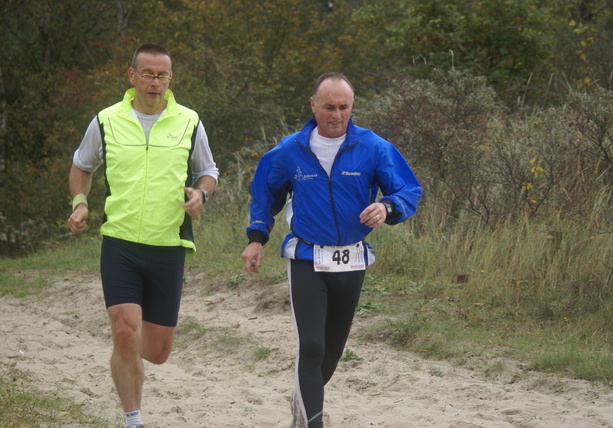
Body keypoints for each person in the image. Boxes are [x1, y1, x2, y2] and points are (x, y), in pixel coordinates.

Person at [240, 72, 422, 428]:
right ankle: (312, 423)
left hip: (352, 259)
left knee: (331, 356)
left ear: (352, 106)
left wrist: (387, 207)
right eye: (328, 107)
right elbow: (265, 192)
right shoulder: (290, 150)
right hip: (308, 257)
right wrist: (256, 236)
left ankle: (301, 406)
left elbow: (408, 190)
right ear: (313, 106)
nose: (336, 115)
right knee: (311, 347)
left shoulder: (373, 147)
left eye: (343, 107)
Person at [67, 43, 218, 428]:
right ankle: (133, 419)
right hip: (119, 243)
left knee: (157, 350)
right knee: (123, 332)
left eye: (162, 75)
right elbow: (82, 166)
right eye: (147, 74)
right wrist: (80, 202)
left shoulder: (189, 121)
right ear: (131, 76)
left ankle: (130, 358)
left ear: (171, 78)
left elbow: (209, 171)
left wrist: (200, 193)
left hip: (168, 246)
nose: (155, 82)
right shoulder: (106, 120)